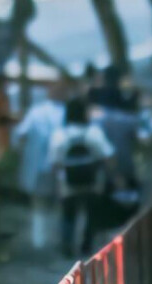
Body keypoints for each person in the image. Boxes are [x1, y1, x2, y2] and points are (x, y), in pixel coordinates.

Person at [48, 95, 116, 256]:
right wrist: (110, 175)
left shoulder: (59, 134)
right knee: (91, 214)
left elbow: (54, 162)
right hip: (92, 182)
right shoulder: (94, 132)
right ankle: (86, 246)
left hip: (67, 182)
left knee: (68, 214)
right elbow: (108, 156)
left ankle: (67, 245)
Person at [11, 87, 64, 251]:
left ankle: (39, 239)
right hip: (59, 165)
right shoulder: (64, 112)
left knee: (39, 203)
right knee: (58, 203)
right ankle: (56, 238)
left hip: (36, 165)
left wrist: (22, 153)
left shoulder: (35, 112)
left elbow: (20, 134)